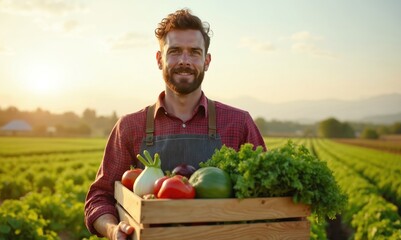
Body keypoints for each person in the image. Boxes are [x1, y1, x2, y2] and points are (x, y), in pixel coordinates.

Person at [84, 8, 267, 239]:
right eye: (175, 51)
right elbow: (99, 197)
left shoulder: (238, 123)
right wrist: (112, 230)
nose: (184, 60)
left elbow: (267, 197)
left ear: (207, 61)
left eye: (194, 52)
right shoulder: (130, 126)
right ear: (159, 59)